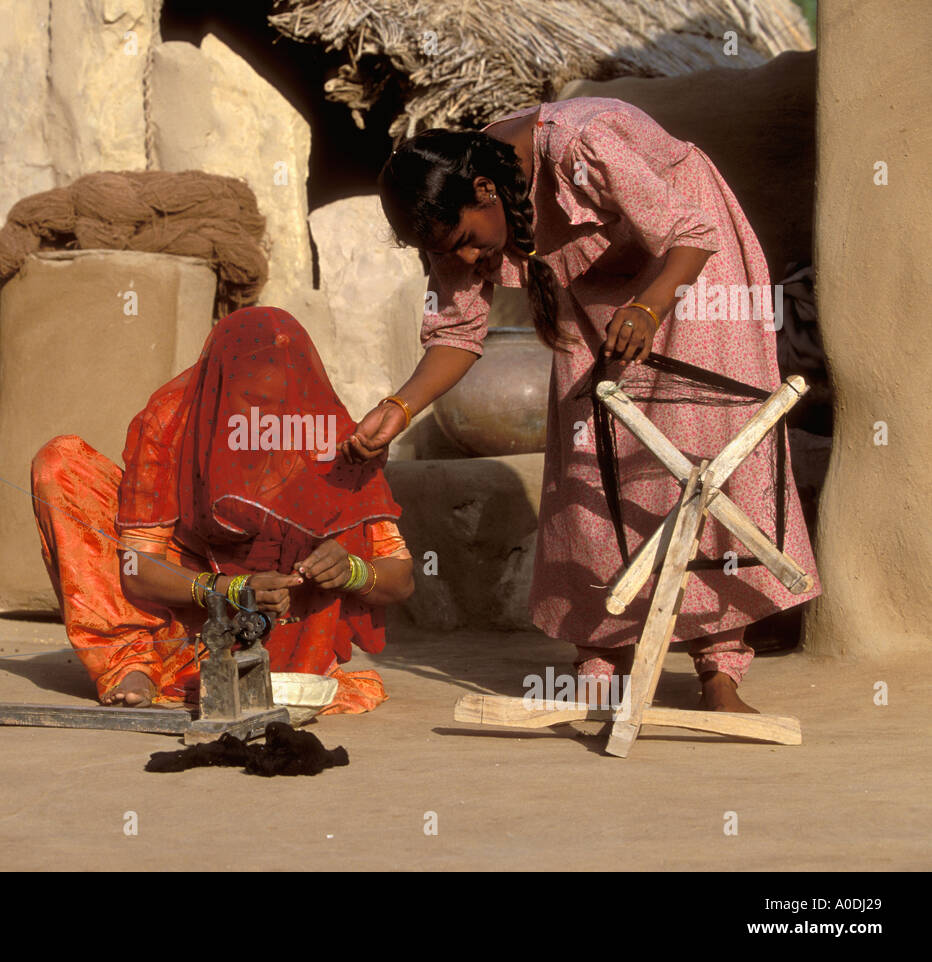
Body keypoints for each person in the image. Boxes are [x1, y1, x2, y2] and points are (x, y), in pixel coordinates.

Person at [341, 96, 820, 712]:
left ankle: (718, 668)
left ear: (486, 192)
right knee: (593, 457)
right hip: (601, 289)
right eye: (446, 252)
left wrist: (648, 307)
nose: (465, 260)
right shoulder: (451, 204)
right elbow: (457, 333)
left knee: (709, 451)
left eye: (465, 242)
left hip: (692, 265)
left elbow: (689, 233)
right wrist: (399, 408)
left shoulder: (583, 145)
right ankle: (600, 662)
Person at [32, 306, 414, 713]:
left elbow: (400, 580)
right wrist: (232, 589)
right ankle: (131, 660)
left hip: (280, 617)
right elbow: (137, 570)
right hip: (182, 592)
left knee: (340, 524)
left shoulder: (325, 437)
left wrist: (351, 570)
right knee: (61, 464)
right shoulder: (169, 423)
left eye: (281, 405)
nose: (266, 420)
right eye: (251, 401)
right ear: (217, 389)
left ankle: (269, 665)